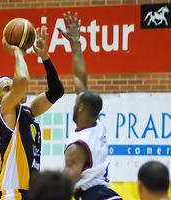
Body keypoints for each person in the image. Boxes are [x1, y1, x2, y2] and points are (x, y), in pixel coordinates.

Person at [0, 26, 64, 200]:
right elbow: (22, 81)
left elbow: (56, 91)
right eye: (7, 89)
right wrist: (17, 51)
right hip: (10, 192)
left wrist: (45, 57)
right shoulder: (5, 110)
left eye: (12, 87)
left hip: (28, 193)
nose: (13, 90)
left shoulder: (26, 111)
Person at [58, 11, 122, 200]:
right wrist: (76, 44)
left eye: (76, 101)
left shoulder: (78, 146)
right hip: (107, 194)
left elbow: (64, 185)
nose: (74, 101)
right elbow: (79, 79)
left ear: (81, 108)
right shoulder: (97, 125)